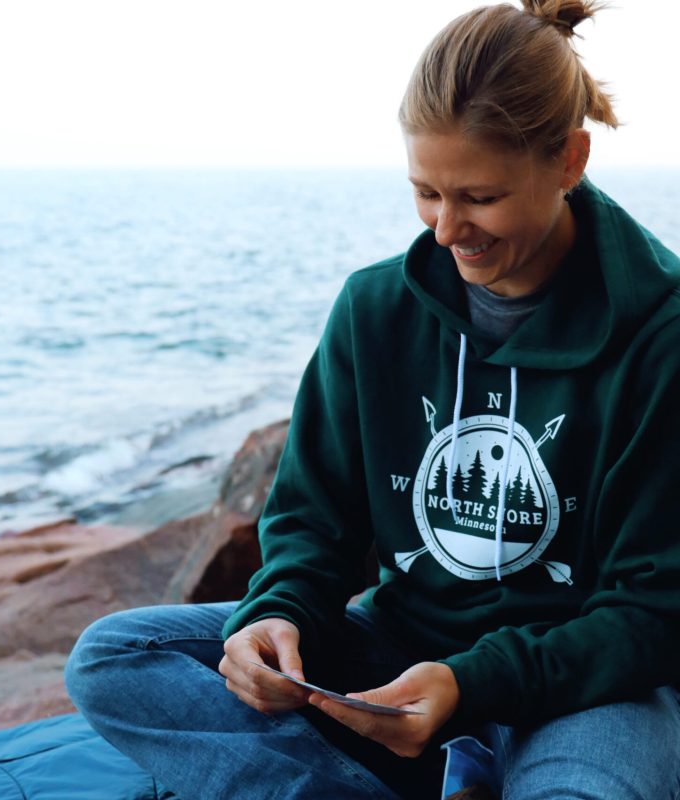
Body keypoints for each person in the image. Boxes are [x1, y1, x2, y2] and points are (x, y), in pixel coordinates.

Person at [64, 1, 680, 797]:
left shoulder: (660, 334)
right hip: (393, 655)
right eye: (426, 192)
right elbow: (313, 523)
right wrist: (276, 614)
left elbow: (655, 612)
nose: (448, 228)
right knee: (116, 659)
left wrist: (471, 683)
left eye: (480, 197)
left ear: (568, 160)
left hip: (584, 687)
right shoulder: (373, 309)